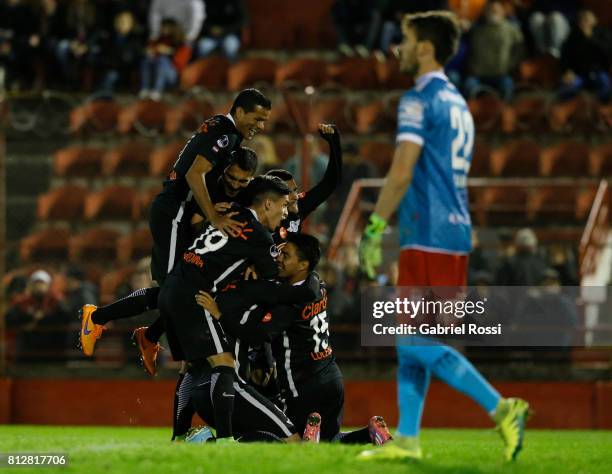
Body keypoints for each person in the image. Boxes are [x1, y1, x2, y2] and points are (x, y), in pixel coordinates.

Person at [358, 11, 528, 461]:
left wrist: (375, 226)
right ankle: (409, 439)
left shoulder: (417, 99)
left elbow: (401, 170)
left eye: (406, 39)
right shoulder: (458, 101)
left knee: (414, 341)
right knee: (410, 342)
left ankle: (501, 407)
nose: (398, 47)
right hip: (452, 231)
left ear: (426, 48)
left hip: (428, 233)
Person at [79, 89, 271, 358]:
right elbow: (195, 174)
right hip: (174, 209)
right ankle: (98, 319)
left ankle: (149, 336)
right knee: (173, 289)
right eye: (258, 118)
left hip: (181, 211)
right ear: (240, 111)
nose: (261, 126)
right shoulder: (225, 135)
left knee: (180, 289)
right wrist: (213, 217)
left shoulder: (225, 131)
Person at [197, 233, 393, 445]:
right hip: (332, 376)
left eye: (286, 255)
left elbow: (257, 335)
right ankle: (370, 432)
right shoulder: (317, 283)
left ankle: (307, 428)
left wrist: (220, 315)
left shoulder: (288, 305)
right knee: (330, 441)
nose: (279, 258)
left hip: (301, 383)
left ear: (302, 264)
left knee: (290, 439)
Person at [158, 175, 291, 443]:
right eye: (284, 205)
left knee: (192, 366)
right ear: (267, 204)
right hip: (195, 294)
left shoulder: (232, 211)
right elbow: (271, 274)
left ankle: (178, 436)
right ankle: (226, 439)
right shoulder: (260, 237)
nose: (286, 213)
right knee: (225, 363)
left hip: (172, 286)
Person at [464, 0, 523, 101]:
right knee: (469, 85)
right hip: (478, 76)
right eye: (490, 10)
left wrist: (511, 65)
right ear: (485, 12)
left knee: (507, 85)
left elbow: (520, 50)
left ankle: (504, 112)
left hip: (501, 75)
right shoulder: (475, 30)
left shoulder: (512, 29)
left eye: (496, 10)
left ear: (503, 11)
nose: (493, 12)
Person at [558, 9, 610, 102]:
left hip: (598, 72)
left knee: (606, 88)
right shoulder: (573, 35)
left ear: (595, 20)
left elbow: (607, 52)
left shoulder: (603, 33)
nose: (585, 22)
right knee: (565, 91)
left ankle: (599, 109)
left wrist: (590, 38)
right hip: (578, 74)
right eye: (582, 19)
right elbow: (564, 57)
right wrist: (566, 71)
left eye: (587, 19)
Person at [139, 18, 191, 100]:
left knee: (162, 60)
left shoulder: (182, 43)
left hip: (173, 76)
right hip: (155, 71)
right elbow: (150, 50)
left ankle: (157, 91)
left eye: (167, 28)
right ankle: (145, 89)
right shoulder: (159, 40)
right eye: (162, 27)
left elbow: (180, 64)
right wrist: (151, 51)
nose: (163, 30)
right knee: (146, 60)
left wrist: (169, 52)